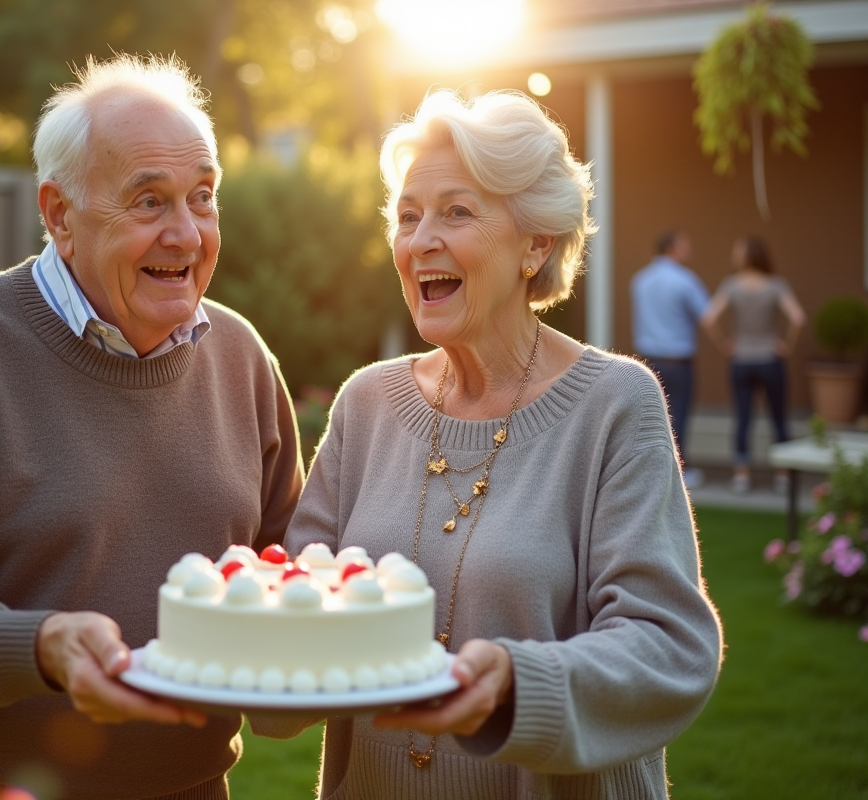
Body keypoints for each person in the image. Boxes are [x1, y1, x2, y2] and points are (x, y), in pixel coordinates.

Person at [0, 55, 303, 800]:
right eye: (149, 201)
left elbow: (288, 571)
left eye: (202, 197)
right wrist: (40, 648)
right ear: (59, 214)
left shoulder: (242, 356)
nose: (186, 233)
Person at [270, 89, 722, 798]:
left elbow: (669, 646)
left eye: (456, 212)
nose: (421, 241)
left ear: (535, 244)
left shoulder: (613, 406)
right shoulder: (366, 404)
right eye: (408, 216)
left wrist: (517, 686)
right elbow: (296, 601)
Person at [700, 236, 805, 493]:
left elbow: (708, 318)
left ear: (747, 255)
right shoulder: (775, 285)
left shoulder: (732, 285)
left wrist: (726, 343)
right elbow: (798, 318)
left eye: (738, 251)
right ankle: (782, 476)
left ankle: (742, 475)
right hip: (770, 358)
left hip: (741, 360)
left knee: (743, 417)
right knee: (778, 417)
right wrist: (786, 345)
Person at [631, 229, 710, 489]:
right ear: (672, 248)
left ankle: (650, 469)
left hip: (648, 362)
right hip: (678, 362)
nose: (689, 250)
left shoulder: (640, 280)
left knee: (650, 417)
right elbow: (707, 315)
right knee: (679, 417)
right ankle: (678, 471)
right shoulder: (685, 280)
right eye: (685, 245)